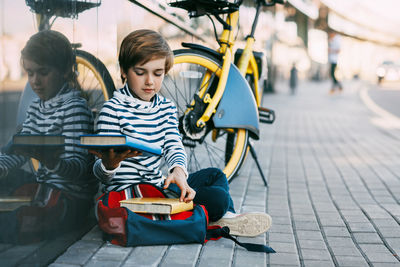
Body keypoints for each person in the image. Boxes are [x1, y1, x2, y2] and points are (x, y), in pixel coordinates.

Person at [91, 29, 272, 237]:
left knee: (216, 175)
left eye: (158, 73)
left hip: (160, 187)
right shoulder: (112, 110)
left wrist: (178, 171)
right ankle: (220, 217)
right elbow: (101, 176)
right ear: (123, 71)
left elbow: (173, 144)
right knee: (218, 199)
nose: (150, 81)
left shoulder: (166, 107)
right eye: (141, 72)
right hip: (133, 195)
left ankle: (224, 217)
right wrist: (109, 165)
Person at [0, 30, 97, 243]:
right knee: (8, 181)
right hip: (45, 188)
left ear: (64, 71)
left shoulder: (74, 108)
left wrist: (51, 160)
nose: (35, 81)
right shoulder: (36, 107)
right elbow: (19, 153)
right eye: (30, 73)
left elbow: (78, 170)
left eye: (43, 72)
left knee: (17, 224)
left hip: (70, 200)